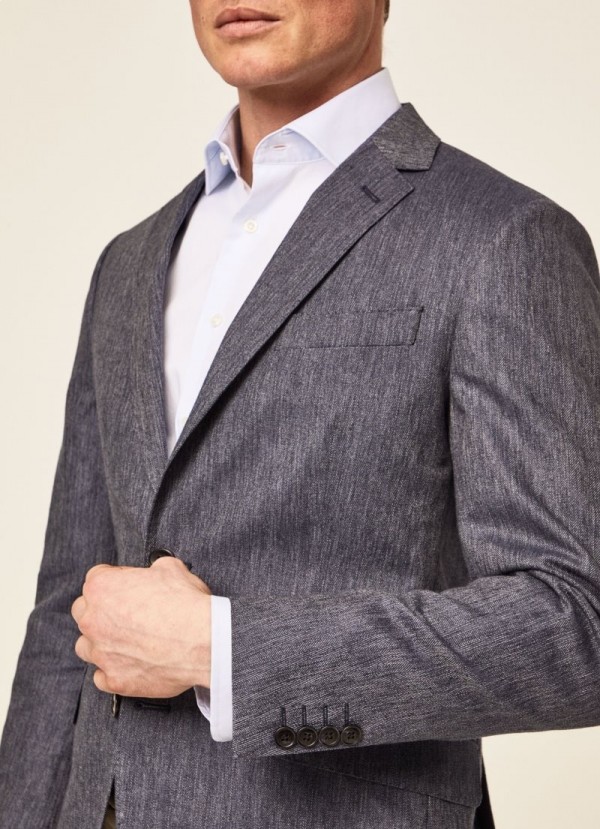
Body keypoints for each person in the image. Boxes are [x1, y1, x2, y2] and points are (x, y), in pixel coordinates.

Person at [1, 0, 599, 827]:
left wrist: (223, 651)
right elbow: (64, 617)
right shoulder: (129, 263)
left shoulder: (502, 237)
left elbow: (575, 622)